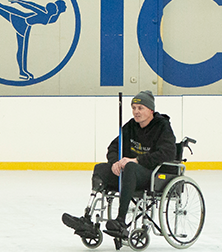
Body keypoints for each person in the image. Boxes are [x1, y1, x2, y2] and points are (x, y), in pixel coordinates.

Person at [62, 91, 176, 238]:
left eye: (140, 108)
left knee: (130, 167)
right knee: (100, 169)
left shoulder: (162, 126)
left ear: (150, 110)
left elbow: (168, 153)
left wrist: (137, 160)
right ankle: (87, 219)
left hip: (151, 174)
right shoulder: (131, 126)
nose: (136, 111)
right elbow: (114, 147)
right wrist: (115, 162)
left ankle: (121, 221)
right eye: (134, 108)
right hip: (129, 173)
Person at [0, 0, 67, 80]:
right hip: (20, 19)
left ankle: (22, 71)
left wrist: (19, 1)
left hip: (25, 24)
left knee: (22, 49)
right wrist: (19, 1)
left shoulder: (53, 15)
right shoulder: (47, 14)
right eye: (64, 6)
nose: (66, 7)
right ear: (57, 8)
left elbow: (33, 6)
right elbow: (32, 6)